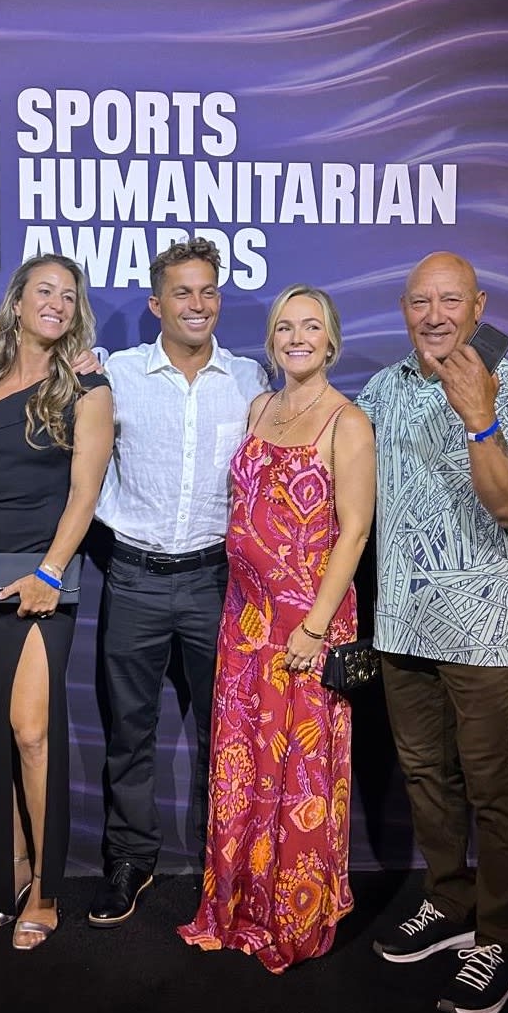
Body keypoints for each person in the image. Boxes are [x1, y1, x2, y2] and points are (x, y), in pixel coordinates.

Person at [177, 285, 376, 971]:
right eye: (285, 327)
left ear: (331, 341)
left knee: (298, 774)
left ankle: (292, 913)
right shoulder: (259, 407)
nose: (297, 338)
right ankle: (238, 905)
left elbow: (354, 532)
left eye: (310, 327)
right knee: (245, 766)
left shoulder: (346, 422)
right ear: (271, 341)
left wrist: (314, 628)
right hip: (245, 621)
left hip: (306, 625)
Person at [359, 251, 508, 1013]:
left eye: (449, 300)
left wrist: (477, 416)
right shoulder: (381, 389)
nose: (433, 315)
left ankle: (505, 936)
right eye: (419, 301)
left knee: (497, 787)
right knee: (426, 775)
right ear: (402, 308)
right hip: (401, 621)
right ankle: (449, 900)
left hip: (487, 630)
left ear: (478, 305)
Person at [87, 237, 268, 928]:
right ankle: (130, 859)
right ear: (156, 303)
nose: (197, 303)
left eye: (207, 291)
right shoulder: (117, 373)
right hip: (132, 576)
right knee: (128, 731)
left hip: (216, 581)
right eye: (182, 292)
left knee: (225, 733)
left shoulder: (249, 379)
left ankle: (226, 862)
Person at [0, 253, 113, 950]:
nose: (56, 303)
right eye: (44, 291)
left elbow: (85, 493)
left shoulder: (88, 387)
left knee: (31, 731)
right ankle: (6, 871)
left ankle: (45, 887)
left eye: (68, 296)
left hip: (43, 568)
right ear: (16, 302)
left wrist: (50, 569)